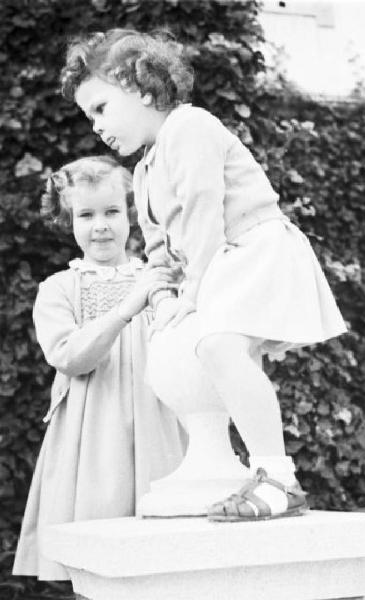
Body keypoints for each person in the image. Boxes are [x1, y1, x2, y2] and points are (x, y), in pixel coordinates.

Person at [61, 29, 347, 522]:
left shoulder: (189, 127)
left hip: (253, 246)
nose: (96, 127)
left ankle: (278, 478)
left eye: (102, 108)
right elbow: (157, 251)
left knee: (217, 346)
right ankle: (266, 475)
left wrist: (194, 292)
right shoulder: (146, 171)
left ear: (141, 86)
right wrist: (165, 299)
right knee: (208, 347)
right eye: (89, 117)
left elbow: (202, 212)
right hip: (220, 258)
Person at [13, 155, 185, 580]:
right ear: (68, 220)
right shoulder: (59, 288)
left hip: (156, 421)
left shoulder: (160, 278)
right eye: (86, 215)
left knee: (165, 553)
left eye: (111, 211)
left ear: (130, 214)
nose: (101, 225)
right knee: (98, 553)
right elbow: (69, 355)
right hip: (91, 436)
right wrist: (128, 307)